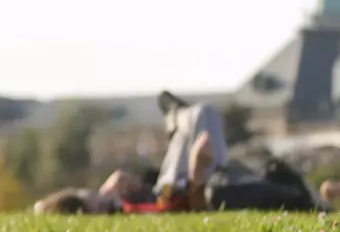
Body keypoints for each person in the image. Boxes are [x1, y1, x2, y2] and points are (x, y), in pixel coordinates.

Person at [34, 92, 227, 215]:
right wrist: (197, 172)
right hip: (182, 188)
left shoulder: (110, 202)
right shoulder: (123, 212)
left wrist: (112, 187)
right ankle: (176, 119)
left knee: (201, 115)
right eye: (92, 203)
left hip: (167, 187)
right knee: (203, 114)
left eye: (92, 196)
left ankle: (176, 119)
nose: (99, 200)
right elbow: (181, 207)